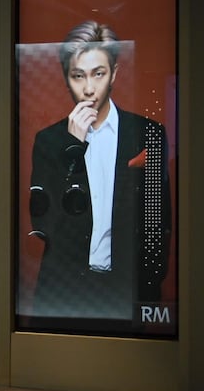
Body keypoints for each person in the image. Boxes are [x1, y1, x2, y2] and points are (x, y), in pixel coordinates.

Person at [28, 20, 171, 327]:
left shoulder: (148, 134)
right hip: (64, 288)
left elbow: (158, 218)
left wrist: (149, 282)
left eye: (98, 74)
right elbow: (44, 222)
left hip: (126, 285)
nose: (89, 88)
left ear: (115, 74)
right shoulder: (50, 141)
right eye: (78, 76)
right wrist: (72, 147)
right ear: (66, 79)